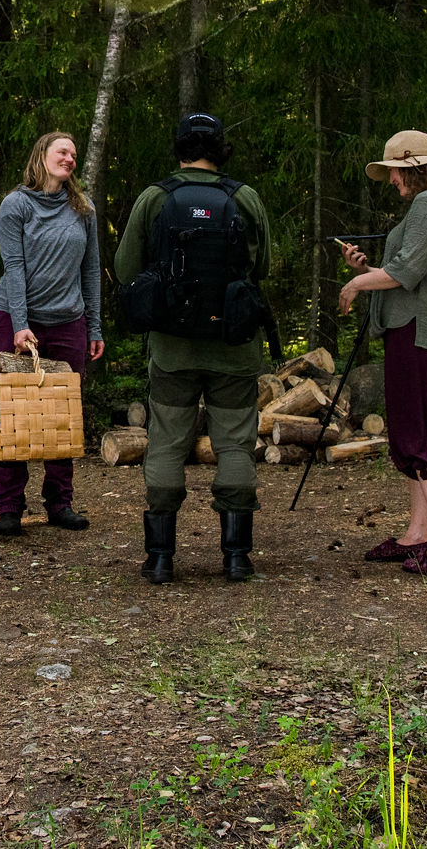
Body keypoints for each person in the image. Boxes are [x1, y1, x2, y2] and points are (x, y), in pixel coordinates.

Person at [114, 113, 274, 584]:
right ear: (220, 149)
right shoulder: (244, 198)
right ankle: (237, 557)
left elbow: (126, 267)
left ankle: (161, 558)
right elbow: (264, 264)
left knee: (165, 442)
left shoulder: (155, 198)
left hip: (172, 348)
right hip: (234, 345)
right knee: (236, 443)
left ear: (179, 147)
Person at [339, 129, 427, 577]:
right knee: (412, 434)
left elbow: (407, 272)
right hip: (411, 332)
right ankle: (418, 533)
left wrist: (356, 284)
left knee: (425, 438)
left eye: (393, 170)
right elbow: (404, 272)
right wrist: (366, 270)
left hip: (422, 336)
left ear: (412, 167)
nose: (390, 179)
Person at [0, 131, 105, 537]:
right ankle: (9, 508)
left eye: (74, 154)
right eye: (63, 151)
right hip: (15, 319)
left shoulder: (82, 208)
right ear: (42, 155)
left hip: (68, 322)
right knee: (12, 414)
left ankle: (60, 503)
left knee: (62, 415)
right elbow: (14, 267)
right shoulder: (15, 205)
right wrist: (21, 325)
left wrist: (95, 325)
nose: (70, 159)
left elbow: (91, 271)